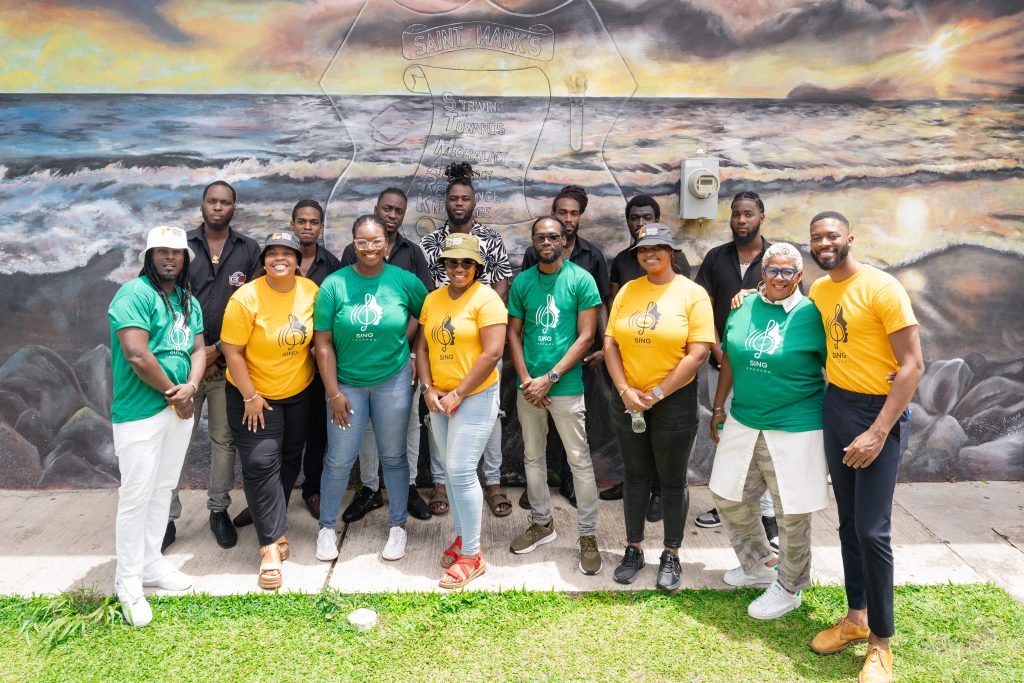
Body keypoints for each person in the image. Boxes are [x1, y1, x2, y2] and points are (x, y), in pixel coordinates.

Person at [806, 211, 923, 683]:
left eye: (832, 235)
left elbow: (913, 365)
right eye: (817, 237)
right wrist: (750, 294)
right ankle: (856, 617)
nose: (824, 243)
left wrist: (877, 431)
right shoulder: (819, 290)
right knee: (849, 523)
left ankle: (881, 643)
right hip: (837, 404)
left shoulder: (882, 288)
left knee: (873, 531)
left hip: (878, 412)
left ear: (849, 238)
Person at [708, 243, 828, 620]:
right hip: (744, 418)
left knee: (792, 511)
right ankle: (759, 564)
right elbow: (730, 357)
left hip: (795, 425)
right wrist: (718, 406)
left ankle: (790, 587)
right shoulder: (743, 306)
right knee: (727, 493)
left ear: (799, 275)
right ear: (762, 272)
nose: (779, 277)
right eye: (772, 270)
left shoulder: (812, 314)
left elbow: (837, 365)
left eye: (787, 271)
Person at [604, 223, 713, 591]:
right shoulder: (628, 291)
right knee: (635, 475)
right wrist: (624, 389)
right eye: (642, 249)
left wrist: (659, 393)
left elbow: (697, 354)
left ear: (671, 252)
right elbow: (610, 344)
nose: (649, 254)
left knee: (671, 479)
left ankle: (671, 553)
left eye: (657, 247)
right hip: (629, 398)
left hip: (674, 401)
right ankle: (633, 549)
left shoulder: (692, 294)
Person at [313, 214, 428, 563]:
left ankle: (397, 526)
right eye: (362, 242)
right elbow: (322, 343)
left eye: (376, 241)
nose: (369, 248)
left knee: (393, 456)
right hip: (347, 385)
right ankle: (326, 528)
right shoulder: (334, 285)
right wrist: (333, 392)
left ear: (386, 244)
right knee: (339, 459)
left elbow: (429, 315)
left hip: (393, 381)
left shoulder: (404, 280)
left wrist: (413, 352)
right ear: (353, 244)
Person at [108, 226, 205, 626]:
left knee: (163, 489)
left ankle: (150, 564)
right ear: (149, 256)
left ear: (185, 259)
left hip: (177, 410)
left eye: (177, 252)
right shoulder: (134, 294)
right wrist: (174, 393)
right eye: (162, 251)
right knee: (136, 496)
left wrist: (192, 387)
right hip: (141, 412)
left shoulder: (188, 300)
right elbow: (136, 354)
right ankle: (127, 580)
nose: (170, 257)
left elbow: (198, 349)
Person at [220, 231, 319, 590]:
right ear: (263, 261)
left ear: (298, 261)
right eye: (273, 253)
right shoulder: (246, 298)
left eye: (287, 253)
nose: (280, 259)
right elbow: (231, 350)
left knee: (290, 457)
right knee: (261, 463)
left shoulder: (310, 291)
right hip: (254, 396)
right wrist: (250, 396)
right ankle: (269, 547)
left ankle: (274, 525)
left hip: (299, 393)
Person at [232, 199, 339, 528]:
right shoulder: (251, 292)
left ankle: (306, 493)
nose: (307, 226)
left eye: (314, 222)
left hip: (308, 378)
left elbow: (328, 325)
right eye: (301, 221)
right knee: (265, 455)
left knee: (310, 439)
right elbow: (236, 345)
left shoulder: (325, 272)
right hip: (262, 384)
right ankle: (267, 506)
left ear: (321, 228)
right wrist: (250, 393)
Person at [168, 180, 261, 552]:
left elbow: (256, 306)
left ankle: (218, 510)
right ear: (202, 205)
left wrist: (217, 352)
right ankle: (166, 517)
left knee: (224, 440)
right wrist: (195, 354)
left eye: (225, 202)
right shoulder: (181, 246)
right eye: (212, 201)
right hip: (182, 364)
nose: (218, 207)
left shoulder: (249, 249)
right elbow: (167, 301)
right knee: (175, 440)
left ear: (234, 208)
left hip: (226, 365)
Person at [507, 216, 603, 574]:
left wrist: (550, 378)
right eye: (540, 237)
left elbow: (586, 336)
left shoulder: (581, 279)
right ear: (533, 242)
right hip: (529, 389)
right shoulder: (523, 282)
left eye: (552, 237)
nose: (546, 242)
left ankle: (588, 536)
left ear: (564, 240)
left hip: (564, 387)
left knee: (579, 461)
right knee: (532, 457)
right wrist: (526, 379)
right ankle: (541, 523)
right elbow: (513, 334)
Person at [415, 233, 507, 589]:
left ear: (477, 266)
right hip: (439, 397)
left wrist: (457, 394)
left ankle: (472, 555)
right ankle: (463, 536)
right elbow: (423, 348)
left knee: (459, 469)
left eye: (466, 262)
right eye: (452, 261)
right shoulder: (433, 299)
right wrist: (427, 388)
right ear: (443, 265)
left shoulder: (487, 299)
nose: (459, 268)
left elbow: (492, 353)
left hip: (475, 396)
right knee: (453, 474)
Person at [339, 188, 437, 524]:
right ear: (376, 209)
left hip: (402, 360)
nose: (392, 215)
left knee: (408, 424)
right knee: (366, 425)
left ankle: (407, 487)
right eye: (387, 208)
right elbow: (346, 304)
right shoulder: (351, 252)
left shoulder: (413, 253)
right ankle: (369, 488)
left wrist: (410, 351)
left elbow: (424, 308)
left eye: (398, 211)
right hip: (361, 359)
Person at [421, 162, 513, 518]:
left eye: (465, 198)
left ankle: (492, 481)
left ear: (474, 202)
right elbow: (430, 288)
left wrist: (483, 316)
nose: (459, 203)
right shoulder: (432, 242)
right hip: (444, 337)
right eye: (453, 198)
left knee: (490, 413)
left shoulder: (490, 239)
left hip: (482, 336)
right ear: (446, 202)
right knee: (438, 408)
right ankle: (441, 482)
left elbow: (502, 280)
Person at [693, 191, 779, 549]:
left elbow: (788, 308)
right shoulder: (716, 257)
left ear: (761, 217)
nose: (741, 220)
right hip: (721, 366)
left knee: (764, 441)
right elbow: (702, 308)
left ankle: (768, 515)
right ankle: (726, 504)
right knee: (726, 438)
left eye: (748, 214)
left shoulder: (776, 258)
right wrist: (719, 351)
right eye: (735, 214)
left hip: (764, 369)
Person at [518, 185, 610, 508]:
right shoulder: (534, 255)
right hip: (537, 364)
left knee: (575, 434)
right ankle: (539, 491)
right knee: (536, 440)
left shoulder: (591, 256)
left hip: (577, 359)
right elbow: (527, 303)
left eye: (574, 213)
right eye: (562, 213)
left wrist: (605, 345)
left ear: (580, 217)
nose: (568, 218)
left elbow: (600, 304)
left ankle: (571, 484)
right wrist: (530, 374)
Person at [600, 195, 691, 520]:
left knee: (665, 444)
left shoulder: (678, 266)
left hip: (667, 374)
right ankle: (635, 484)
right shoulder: (623, 261)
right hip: (628, 364)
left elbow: (683, 314)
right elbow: (613, 305)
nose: (639, 222)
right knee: (632, 436)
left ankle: (659, 493)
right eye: (634, 218)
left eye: (646, 217)